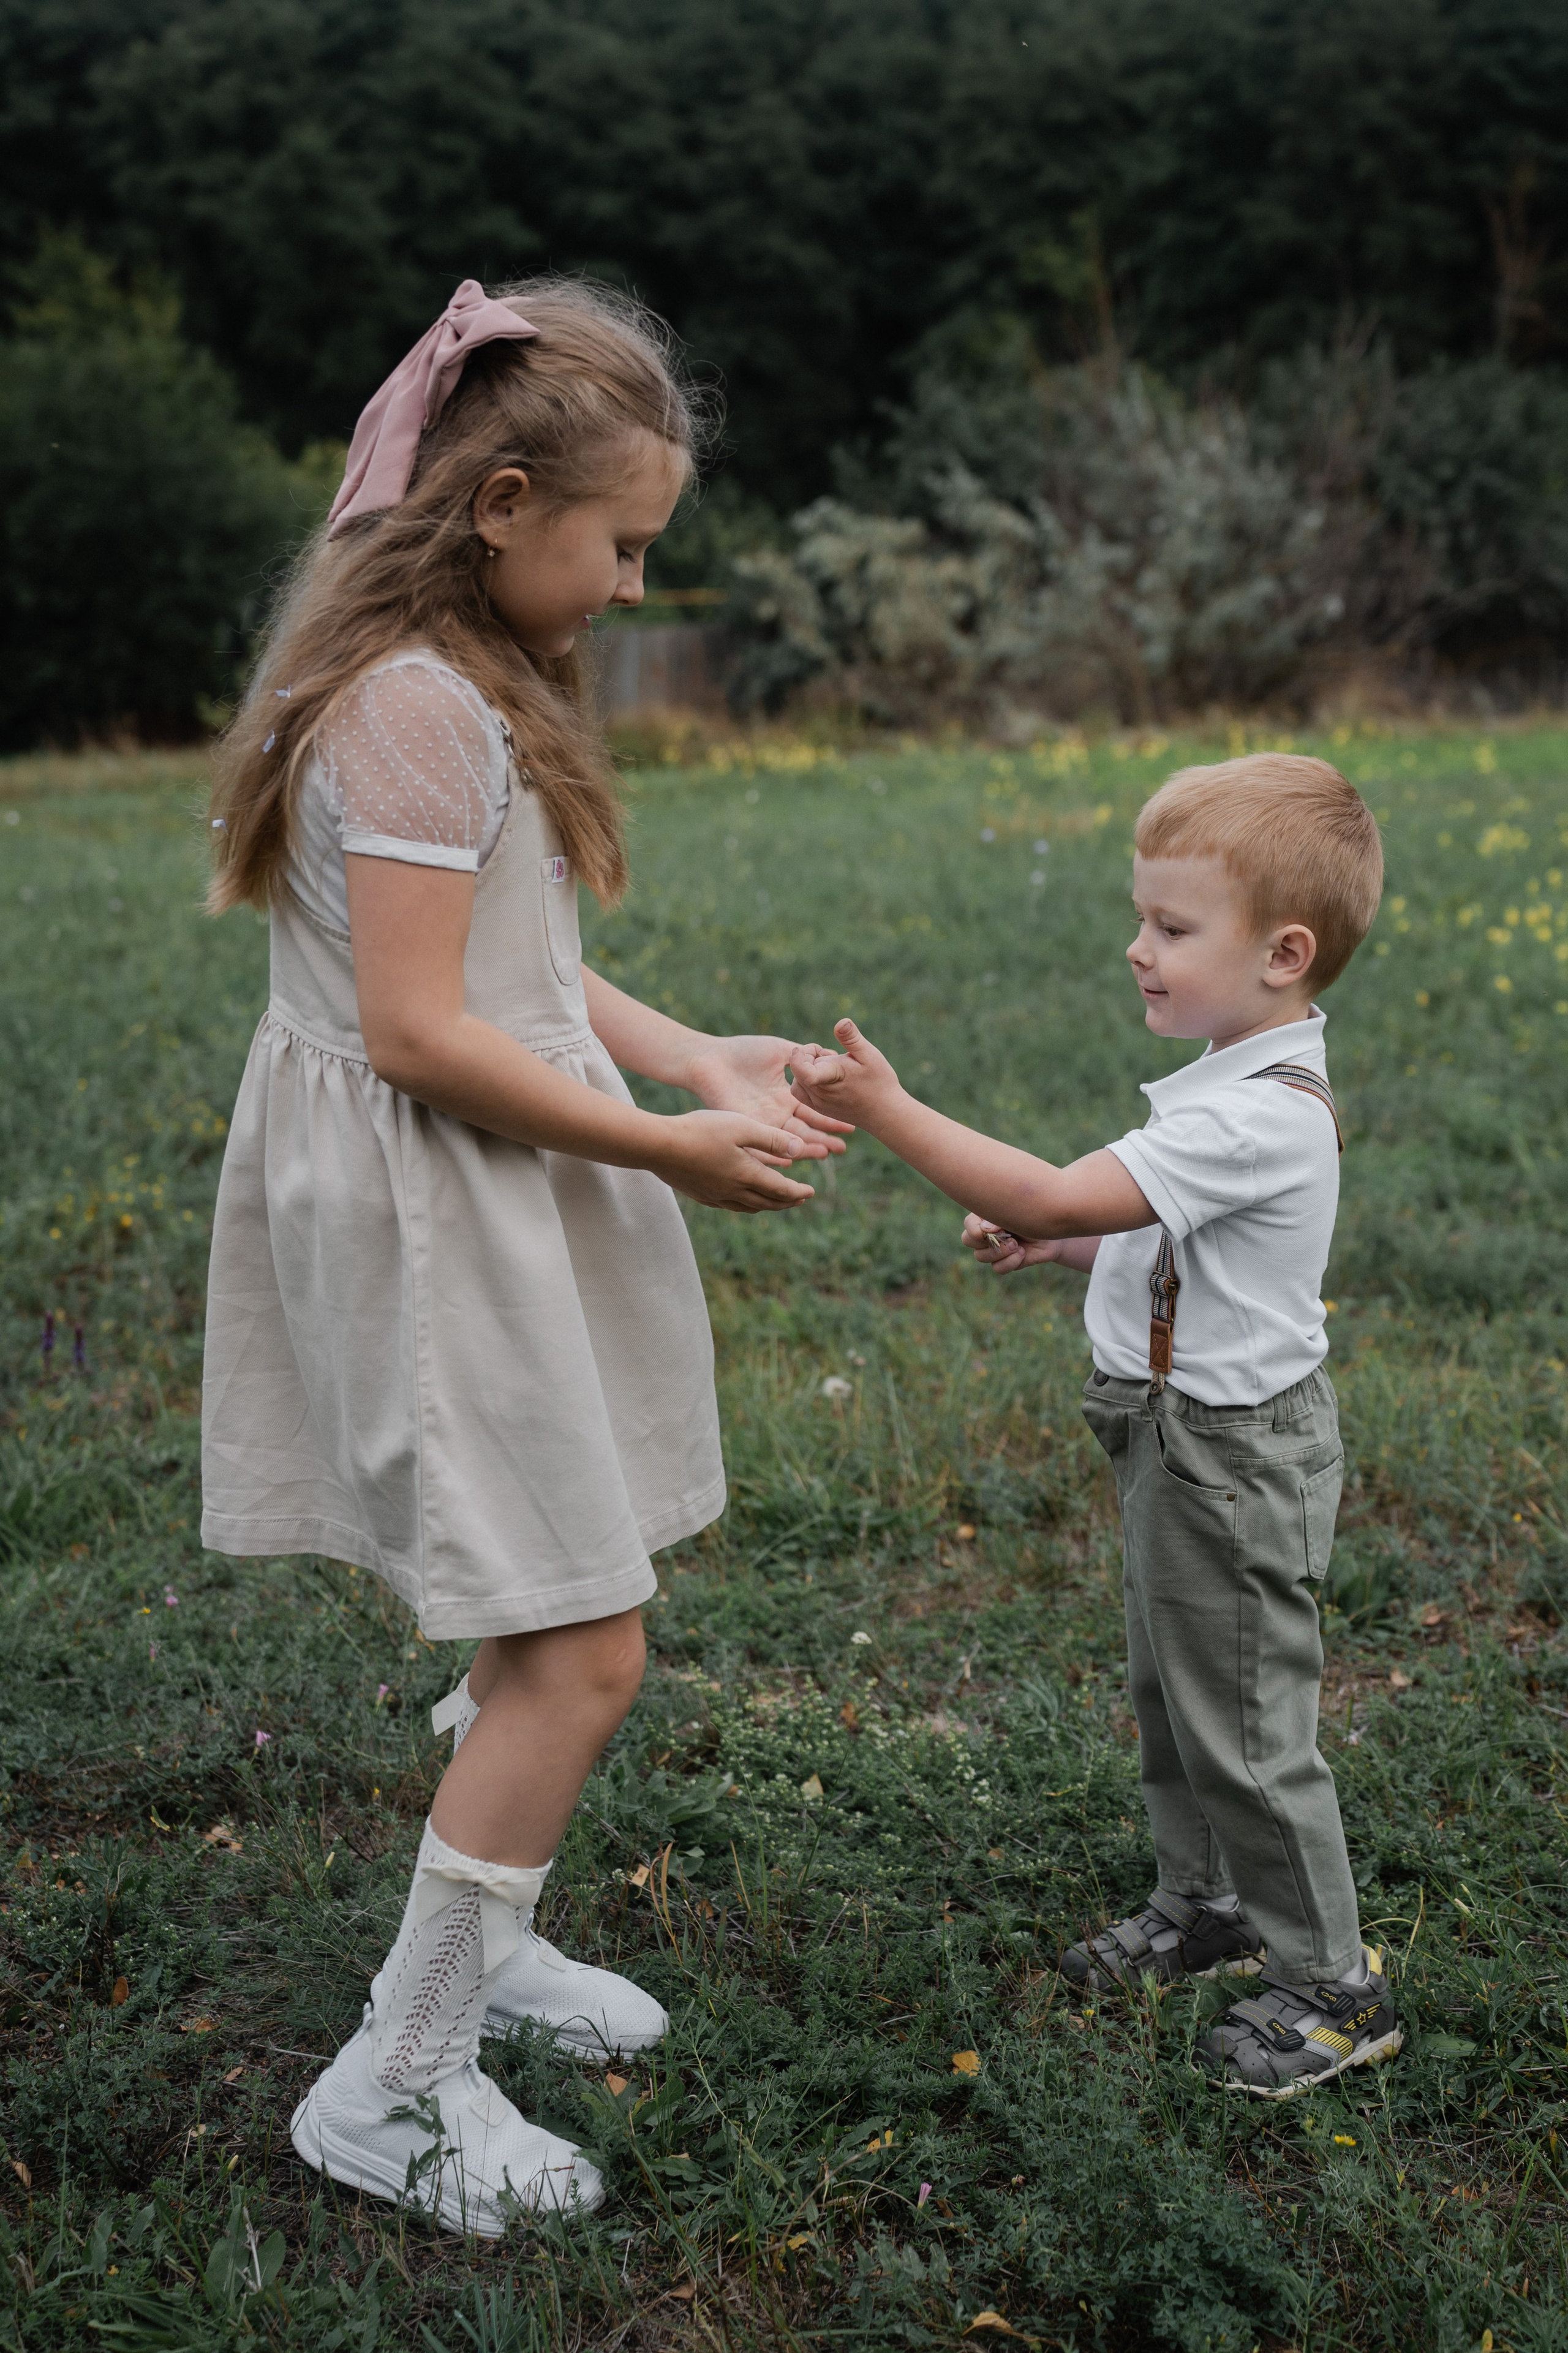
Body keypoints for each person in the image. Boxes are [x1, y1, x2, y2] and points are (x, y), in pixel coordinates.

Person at [201, 278, 848, 2231]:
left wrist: (689, 1051)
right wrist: (663, 1142)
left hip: (474, 1182)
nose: (637, 582)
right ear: (496, 503)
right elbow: (417, 1026)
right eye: (623, 541)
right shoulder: (413, 707)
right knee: (579, 1645)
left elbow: (519, 966)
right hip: (432, 1207)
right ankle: (393, 2083)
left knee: (542, 1598)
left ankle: (477, 1964)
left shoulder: (452, 681)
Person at [791, 753, 1404, 2098]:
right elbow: (1140, 1241)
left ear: (1282, 954)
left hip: (1229, 1458)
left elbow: (1064, 1190)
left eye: (1170, 929)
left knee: (1246, 1726)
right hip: (1172, 1438)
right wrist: (1058, 1254)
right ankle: (1207, 1906)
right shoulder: (1222, 1078)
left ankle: (1332, 1987)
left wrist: (892, 1114)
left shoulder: (1253, 1115)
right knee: (1174, 1702)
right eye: (1142, 919)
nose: (1136, 949)